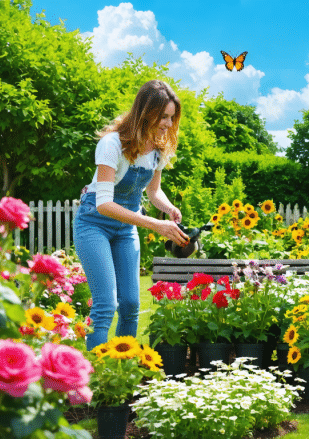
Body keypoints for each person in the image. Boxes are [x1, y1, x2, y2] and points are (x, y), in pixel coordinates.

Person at [74, 79, 189, 351]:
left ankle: (121, 373)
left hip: (125, 229)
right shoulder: (112, 144)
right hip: (94, 224)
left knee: (130, 304)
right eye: (163, 117)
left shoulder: (159, 148)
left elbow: (153, 191)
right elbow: (103, 204)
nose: (168, 124)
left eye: (172, 118)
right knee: (105, 303)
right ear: (145, 112)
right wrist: (153, 223)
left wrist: (167, 208)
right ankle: (97, 377)